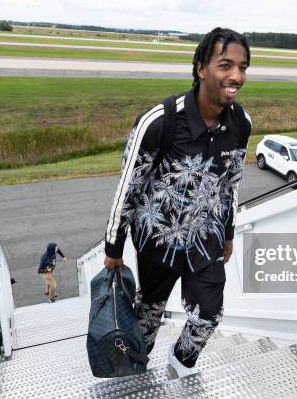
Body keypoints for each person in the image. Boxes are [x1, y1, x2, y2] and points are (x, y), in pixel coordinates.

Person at [103, 27, 251, 377]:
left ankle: (179, 368)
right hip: (158, 242)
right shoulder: (159, 122)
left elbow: (231, 182)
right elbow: (128, 188)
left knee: (209, 316)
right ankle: (134, 374)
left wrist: (228, 232)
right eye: (225, 65)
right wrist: (114, 247)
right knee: (147, 318)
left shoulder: (241, 123)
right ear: (201, 68)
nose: (236, 76)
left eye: (242, 67)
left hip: (207, 239)